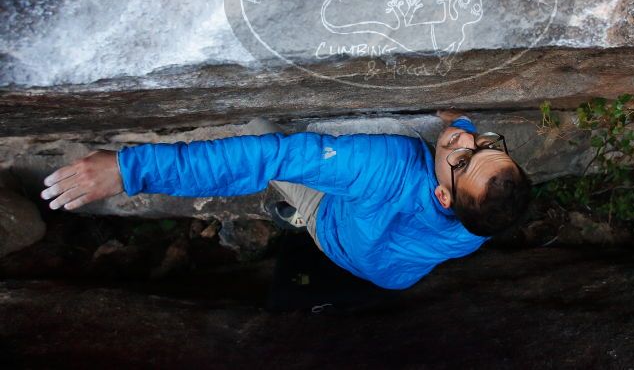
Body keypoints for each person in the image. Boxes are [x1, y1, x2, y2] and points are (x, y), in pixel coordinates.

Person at [39, 111, 533, 290]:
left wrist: (129, 170)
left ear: (443, 194)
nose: (473, 145)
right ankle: (298, 212)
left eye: (466, 160)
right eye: (491, 146)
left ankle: (300, 212)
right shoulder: (482, 223)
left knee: (259, 129)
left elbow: (264, 154)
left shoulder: (386, 166)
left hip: (338, 234)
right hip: (398, 275)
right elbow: (467, 148)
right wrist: (462, 131)